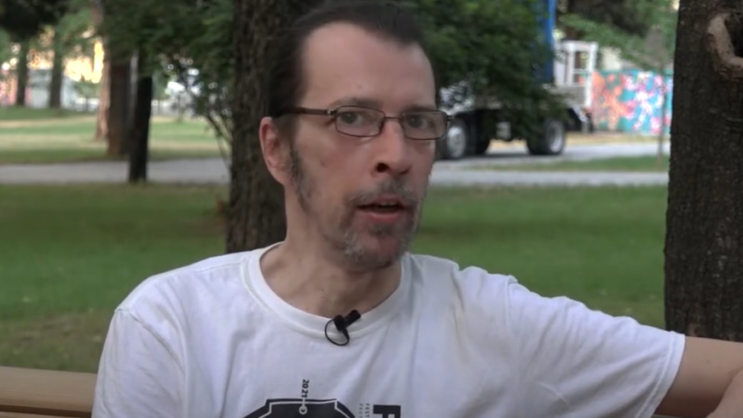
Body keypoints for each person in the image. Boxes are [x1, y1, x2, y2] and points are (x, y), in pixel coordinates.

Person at [92, 1, 743, 417]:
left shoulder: (492, 323)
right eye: (352, 118)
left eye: (417, 122)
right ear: (276, 148)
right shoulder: (173, 327)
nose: (396, 155)